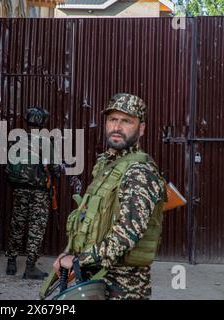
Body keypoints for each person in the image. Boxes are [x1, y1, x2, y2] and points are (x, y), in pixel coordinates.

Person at [51, 93, 166, 300]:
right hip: (95, 279)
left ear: (141, 128)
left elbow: (126, 235)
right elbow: (88, 217)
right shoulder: (106, 165)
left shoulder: (139, 172)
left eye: (126, 121)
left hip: (123, 287)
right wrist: (70, 254)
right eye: (113, 119)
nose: (117, 127)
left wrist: (78, 261)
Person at [5, 107, 59, 279]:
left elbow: (7, 167)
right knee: (36, 228)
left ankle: (11, 263)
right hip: (39, 193)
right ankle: (30, 267)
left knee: (17, 225)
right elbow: (55, 168)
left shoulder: (15, 140)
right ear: (42, 122)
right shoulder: (45, 142)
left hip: (19, 190)